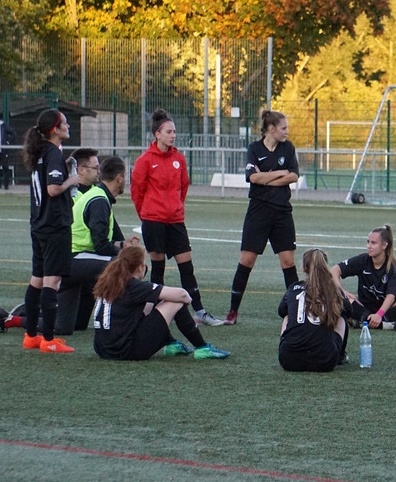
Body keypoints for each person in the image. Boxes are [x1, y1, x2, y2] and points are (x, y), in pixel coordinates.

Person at [131, 109, 222, 327]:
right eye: (169, 132)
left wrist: (176, 207)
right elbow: (137, 191)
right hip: (153, 221)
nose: (173, 135)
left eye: (174, 132)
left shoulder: (178, 158)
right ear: (157, 134)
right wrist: (147, 215)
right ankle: (154, 311)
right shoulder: (145, 160)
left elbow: (183, 186)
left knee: (186, 267)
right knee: (158, 267)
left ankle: (199, 311)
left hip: (175, 221)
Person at [225, 110, 301, 325]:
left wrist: (265, 178)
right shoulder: (254, 148)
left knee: (288, 261)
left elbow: (294, 175)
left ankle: (296, 311)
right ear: (271, 129)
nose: (287, 131)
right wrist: (279, 173)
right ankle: (233, 312)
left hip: (282, 212)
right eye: (283, 128)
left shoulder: (288, 148)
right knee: (246, 260)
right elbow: (252, 177)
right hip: (258, 211)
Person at [92, 245, 230, 361]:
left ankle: (170, 343)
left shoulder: (110, 283)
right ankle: (202, 347)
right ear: (140, 267)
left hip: (103, 350)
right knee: (176, 302)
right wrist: (187, 299)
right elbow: (181, 295)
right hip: (125, 352)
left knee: (154, 302)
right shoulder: (134, 286)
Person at [55, 155, 141, 335]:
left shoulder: (99, 196)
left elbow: (99, 242)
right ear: (119, 178)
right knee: (127, 265)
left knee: (68, 326)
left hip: (75, 259)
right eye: (126, 176)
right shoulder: (99, 201)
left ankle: (14, 319)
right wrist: (124, 252)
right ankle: (129, 318)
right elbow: (101, 247)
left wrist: (122, 244)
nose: (126, 180)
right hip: (75, 260)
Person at [20, 109, 79, 353]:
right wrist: (71, 180)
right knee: (52, 281)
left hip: (38, 224)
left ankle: (31, 335)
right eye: (64, 123)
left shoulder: (41, 152)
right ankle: (49, 340)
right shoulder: (53, 152)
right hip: (54, 225)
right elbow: (53, 189)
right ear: (55, 129)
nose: (68, 127)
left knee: (37, 279)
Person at [278, 249, 349, 372]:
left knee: (287, 317)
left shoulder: (294, 287)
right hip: (324, 361)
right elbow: (349, 310)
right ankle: (340, 356)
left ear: (304, 268)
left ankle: (289, 346)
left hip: (289, 360)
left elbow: (281, 310)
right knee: (341, 318)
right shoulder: (334, 289)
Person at [331, 224, 396, 331]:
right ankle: (385, 325)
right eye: (368, 242)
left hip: (384, 311)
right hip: (363, 309)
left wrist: (379, 314)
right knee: (339, 298)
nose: (369, 246)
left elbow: (391, 296)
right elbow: (334, 270)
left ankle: (361, 323)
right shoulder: (363, 260)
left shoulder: (393, 266)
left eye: (373, 243)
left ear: (384, 245)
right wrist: (342, 291)